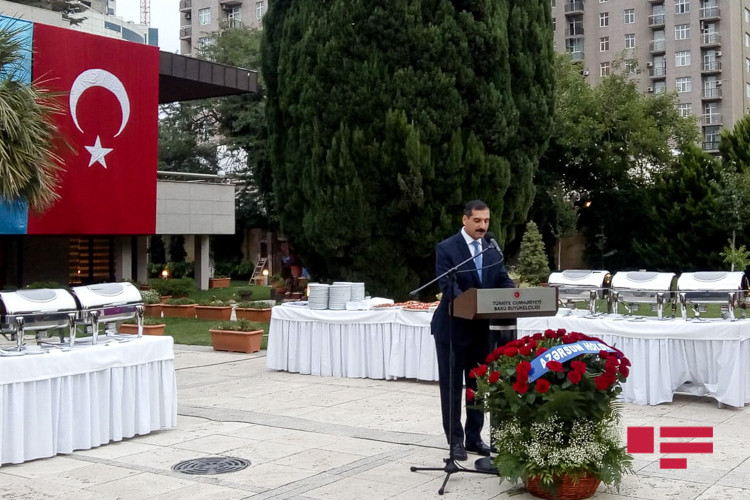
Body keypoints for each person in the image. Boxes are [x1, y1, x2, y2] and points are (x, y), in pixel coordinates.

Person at [430, 200, 515, 461]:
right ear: (465, 220)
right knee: (453, 387)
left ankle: (474, 438)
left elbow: (501, 277)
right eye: (477, 221)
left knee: (478, 387)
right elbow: (448, 286)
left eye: (486, 221)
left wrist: (514, 293)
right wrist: (469, 303)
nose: (483, 226)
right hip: (453, 330)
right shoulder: (447, 248)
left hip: (481, 330)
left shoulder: (490, 248)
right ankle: (455, 441)